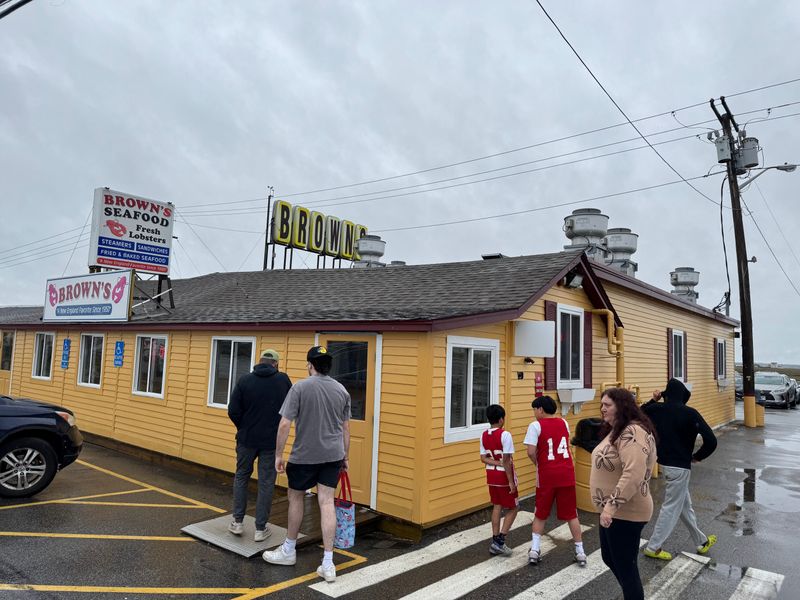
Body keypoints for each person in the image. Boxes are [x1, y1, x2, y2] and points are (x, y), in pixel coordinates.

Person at [263, 345, 351, 584]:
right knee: (326, 502)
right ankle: (328, 562)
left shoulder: (300, 388)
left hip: (304, 455)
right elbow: (345, 429)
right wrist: (345, 457)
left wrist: (279, 455)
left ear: (310, 365)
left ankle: (289, 550)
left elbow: (284, 424)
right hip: (333, 455)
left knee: (296, 497)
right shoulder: (342, 390)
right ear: (328, 366)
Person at [590, 387, 658, 600]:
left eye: (607, 405)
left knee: (626, 567)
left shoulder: (632, 432)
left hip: (626, 511)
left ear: (622, 406)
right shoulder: (617, 429)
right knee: (610, 558)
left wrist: (611, 507)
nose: (602, 409)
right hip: (614, 512)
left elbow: (633, 473)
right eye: (601, 405)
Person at [641, 378, 718, 560]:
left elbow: (638, 413)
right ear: (683, 396)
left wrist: (654, 399)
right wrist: (697, 457)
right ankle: (653, 546)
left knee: (684, 505)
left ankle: (701, 541)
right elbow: (712, 441)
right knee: (671, 507)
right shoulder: (691, 413)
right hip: (681, 467)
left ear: (667, 395)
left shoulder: (656, 410)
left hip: (665, 464)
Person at [227, 348, 292, 542]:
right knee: (265, 483)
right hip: (271, 442)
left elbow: (233, 410)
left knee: (241, 477)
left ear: (259, 361)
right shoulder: (283, 380)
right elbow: (290, 408)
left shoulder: (245, 380)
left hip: (246, 439)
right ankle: (260, 528)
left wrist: (244, 426)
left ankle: (237, 522)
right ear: (276, 364)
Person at [523, 395, 586, 566]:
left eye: (535, 410)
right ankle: (580, 551)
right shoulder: (563, 422)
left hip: (547, 474)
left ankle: (535, 550)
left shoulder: (535, 426)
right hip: (566, 472)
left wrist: (538, 463)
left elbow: (530, 451)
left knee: (541, 513)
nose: (534, 413)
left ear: (540, 410)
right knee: (571, 513)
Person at [479, 404, 519, 556]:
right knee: (514, 507)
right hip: (503, 476)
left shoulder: (484, 435)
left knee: (497, 506)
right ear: (501, 419)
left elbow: (483, 458)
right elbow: (507, 460)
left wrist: (496, 462)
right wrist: (510, 481)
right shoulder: (505, 435)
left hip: (491, 475)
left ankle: (495, 539)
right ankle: (500, 541)